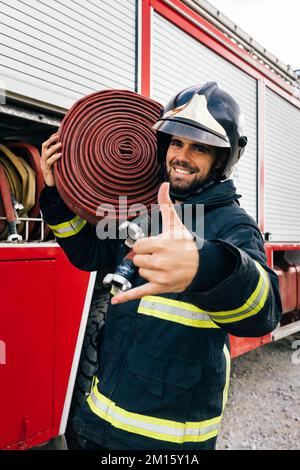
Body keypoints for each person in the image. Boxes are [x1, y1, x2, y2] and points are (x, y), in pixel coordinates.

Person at [39, 82, 282, 450]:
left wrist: (205, 266)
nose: (182, 156)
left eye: (200, 147)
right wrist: (55, 195)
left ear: (224, 158)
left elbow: (263, 312)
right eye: (176, 142)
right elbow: (89, 254)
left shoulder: (234, 225)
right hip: (97, 427)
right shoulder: (146, 210)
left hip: (166, 444)